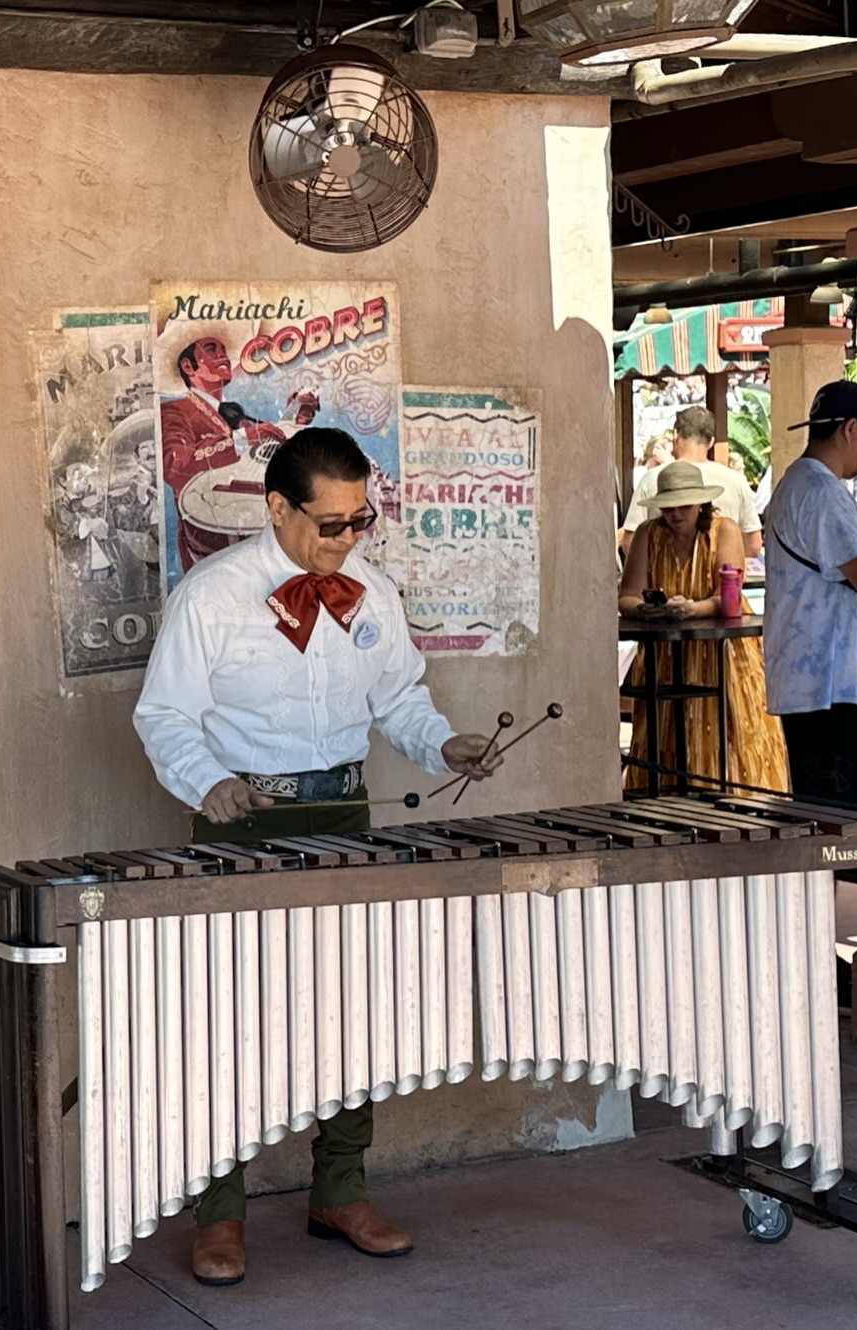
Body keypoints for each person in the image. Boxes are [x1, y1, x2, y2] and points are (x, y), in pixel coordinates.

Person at [133, 427, 506, 1287]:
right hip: (242, 820)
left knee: (348, 1011)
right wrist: (207, 785)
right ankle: (217, 1212)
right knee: (224, 1022)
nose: (346, 539)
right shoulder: (213, 595)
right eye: (329, 523)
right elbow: (163, 717)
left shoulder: (369, 589)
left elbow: (399, 697)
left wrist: (442, 745)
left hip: (344, 812)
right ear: (276, 508)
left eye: (359, 520)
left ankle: (338, 1189)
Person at [619, 461, 790, 792]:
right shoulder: (648, 535)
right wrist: (645, 608)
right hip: (665, 655)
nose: (676, 514)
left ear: (701, 503)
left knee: (731, 729)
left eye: (684, 505)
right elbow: (625, 594)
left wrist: (692, 609)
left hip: (719, 652)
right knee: (666, 730)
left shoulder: (723, 530)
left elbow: (727, 594)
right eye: (669, 507)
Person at [763, 380, 857, 804]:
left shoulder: (795, 482)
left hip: (803, 677)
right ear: (851, 429)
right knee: (834, 819)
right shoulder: (824, 492)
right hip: (829, 683)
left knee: (815, 808)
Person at [158, 334, 319, 571]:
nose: (222, 355)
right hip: (211, 543)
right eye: (211, 349)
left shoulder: (234, 415)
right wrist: (245, 437)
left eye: (223, 349)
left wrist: (294, 415)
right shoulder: (174, 410)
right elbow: (174, 465)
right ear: (187, 366)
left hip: (252, 538)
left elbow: (266, 448)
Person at [622, 407, 762, 561]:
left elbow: (630, 542)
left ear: (675, 435)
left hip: (663, 577)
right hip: (720, 578)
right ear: (711, 442)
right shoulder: (736, 481)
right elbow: (753, 545)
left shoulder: (652, 478)